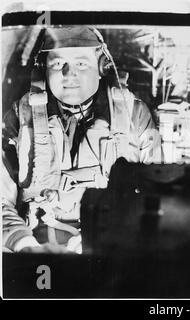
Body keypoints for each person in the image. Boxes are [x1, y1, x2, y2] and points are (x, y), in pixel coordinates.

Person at [2, 26, 162, 253]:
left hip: (109, 246)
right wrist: (25, 244)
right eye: (57, 64)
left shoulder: (133, 115)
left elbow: (154, 197)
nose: (69, 74)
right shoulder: (20, 116)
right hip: (35, 244)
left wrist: (104, 240)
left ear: (101, 68)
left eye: (81, 63)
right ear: (43, 70)